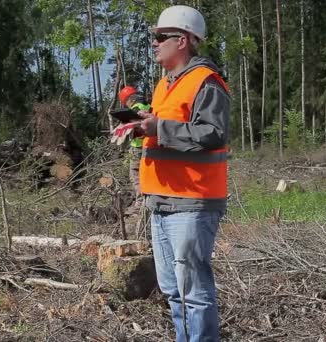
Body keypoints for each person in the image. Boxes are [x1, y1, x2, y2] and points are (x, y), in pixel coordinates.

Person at [137, 5, 230, 342]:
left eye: (161, 36)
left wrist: (158, 127)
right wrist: (142, 127)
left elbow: (212, 134)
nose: (155, 43)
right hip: (161, 201)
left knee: (194, 291)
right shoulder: (165, 85)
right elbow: (169, 131)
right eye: (155, 37)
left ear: (185, 40)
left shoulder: (206, 82)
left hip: (192, 202)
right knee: (174, 291)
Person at [118, 86, 150, 207]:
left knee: (135, 174)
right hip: (148, 145)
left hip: (138, 147)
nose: (126, 105)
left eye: (126, 102)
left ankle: (141, 202)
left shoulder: (135, 110)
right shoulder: (147, 105)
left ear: (129, 99)